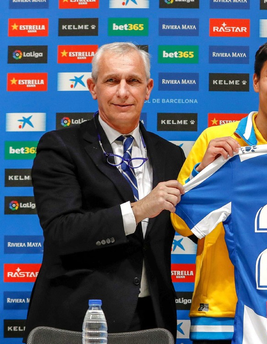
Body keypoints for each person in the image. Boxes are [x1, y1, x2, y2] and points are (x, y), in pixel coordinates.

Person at [24, 42, 185, 342]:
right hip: (78, 318)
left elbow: (192, 224)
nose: (123, 92)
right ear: (93, 87)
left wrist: (218, 170)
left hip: (152, 318)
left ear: (148, 88)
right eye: (112, 80)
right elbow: (61, 231)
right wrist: (137, 210)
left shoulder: (171, 155)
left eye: (133, 81)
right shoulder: (61, 147)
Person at [170, 35, 267, 343]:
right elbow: (181, 225)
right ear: (256, 81)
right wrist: (205, 173)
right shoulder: (214, 139)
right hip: (221, 309)